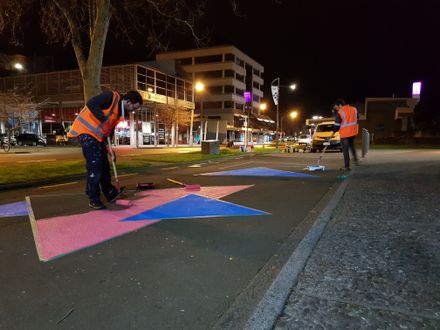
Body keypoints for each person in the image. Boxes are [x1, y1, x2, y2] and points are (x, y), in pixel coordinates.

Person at [67, 90, 143, 209]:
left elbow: (109, 131)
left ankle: (110, 192)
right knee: (95, 165)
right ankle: (93, 198)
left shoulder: (120, 113)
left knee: (105, 165)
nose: (133, 110)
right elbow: (92, 103)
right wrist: (103, 120)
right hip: (86, 132)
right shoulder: (110, 97)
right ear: (128, 101)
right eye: (134, 106)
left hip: (98, 137)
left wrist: (109, 149)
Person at [332, 99, 359, 171]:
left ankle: (347, 166)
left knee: (345, 150)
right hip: (353, 132)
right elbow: (357, 118)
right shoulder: (354, 109)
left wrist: (333, 132)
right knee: (352, 146)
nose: (336, 109)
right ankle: (356, 160)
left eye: (336, 107)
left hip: (345, 134)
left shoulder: (340, 112)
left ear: (340, 105)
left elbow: (337, 125)